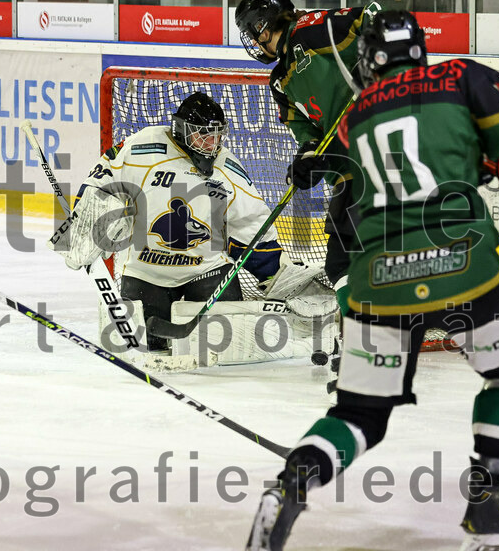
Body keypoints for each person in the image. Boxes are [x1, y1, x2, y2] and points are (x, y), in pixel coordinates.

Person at [244, 10, 499, 551]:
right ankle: (488, 508)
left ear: (367, 62)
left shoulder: (356, 115)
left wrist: (321, 163)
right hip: (460, 266)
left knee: (360, 414)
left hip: (375, 278)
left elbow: (348, 182)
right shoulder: (463, 77)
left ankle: (291, 483)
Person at [50, 90, 321, 357]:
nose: (210, 145)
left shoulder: (226, 165)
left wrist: (274, 272)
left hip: (208, 273)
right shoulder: (142, 147)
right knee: (146, 347)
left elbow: (250, 224)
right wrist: (83, 224)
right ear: (180, 128)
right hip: (147, 274)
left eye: (215, 136)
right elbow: (102, 179)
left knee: (224, 347)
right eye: (202, 135)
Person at [234, 0, 378, 313]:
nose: (252, 43)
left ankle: (382, 322)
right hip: (350, 170)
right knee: (340, 262)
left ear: (263, 25)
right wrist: (309, 159)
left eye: (251, 33)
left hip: (383, 151)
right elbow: (307, 132)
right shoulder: (280, 80)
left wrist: (376, 64)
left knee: (365, 251)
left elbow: (372, 16)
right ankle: (364, 322)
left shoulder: (312, 29)